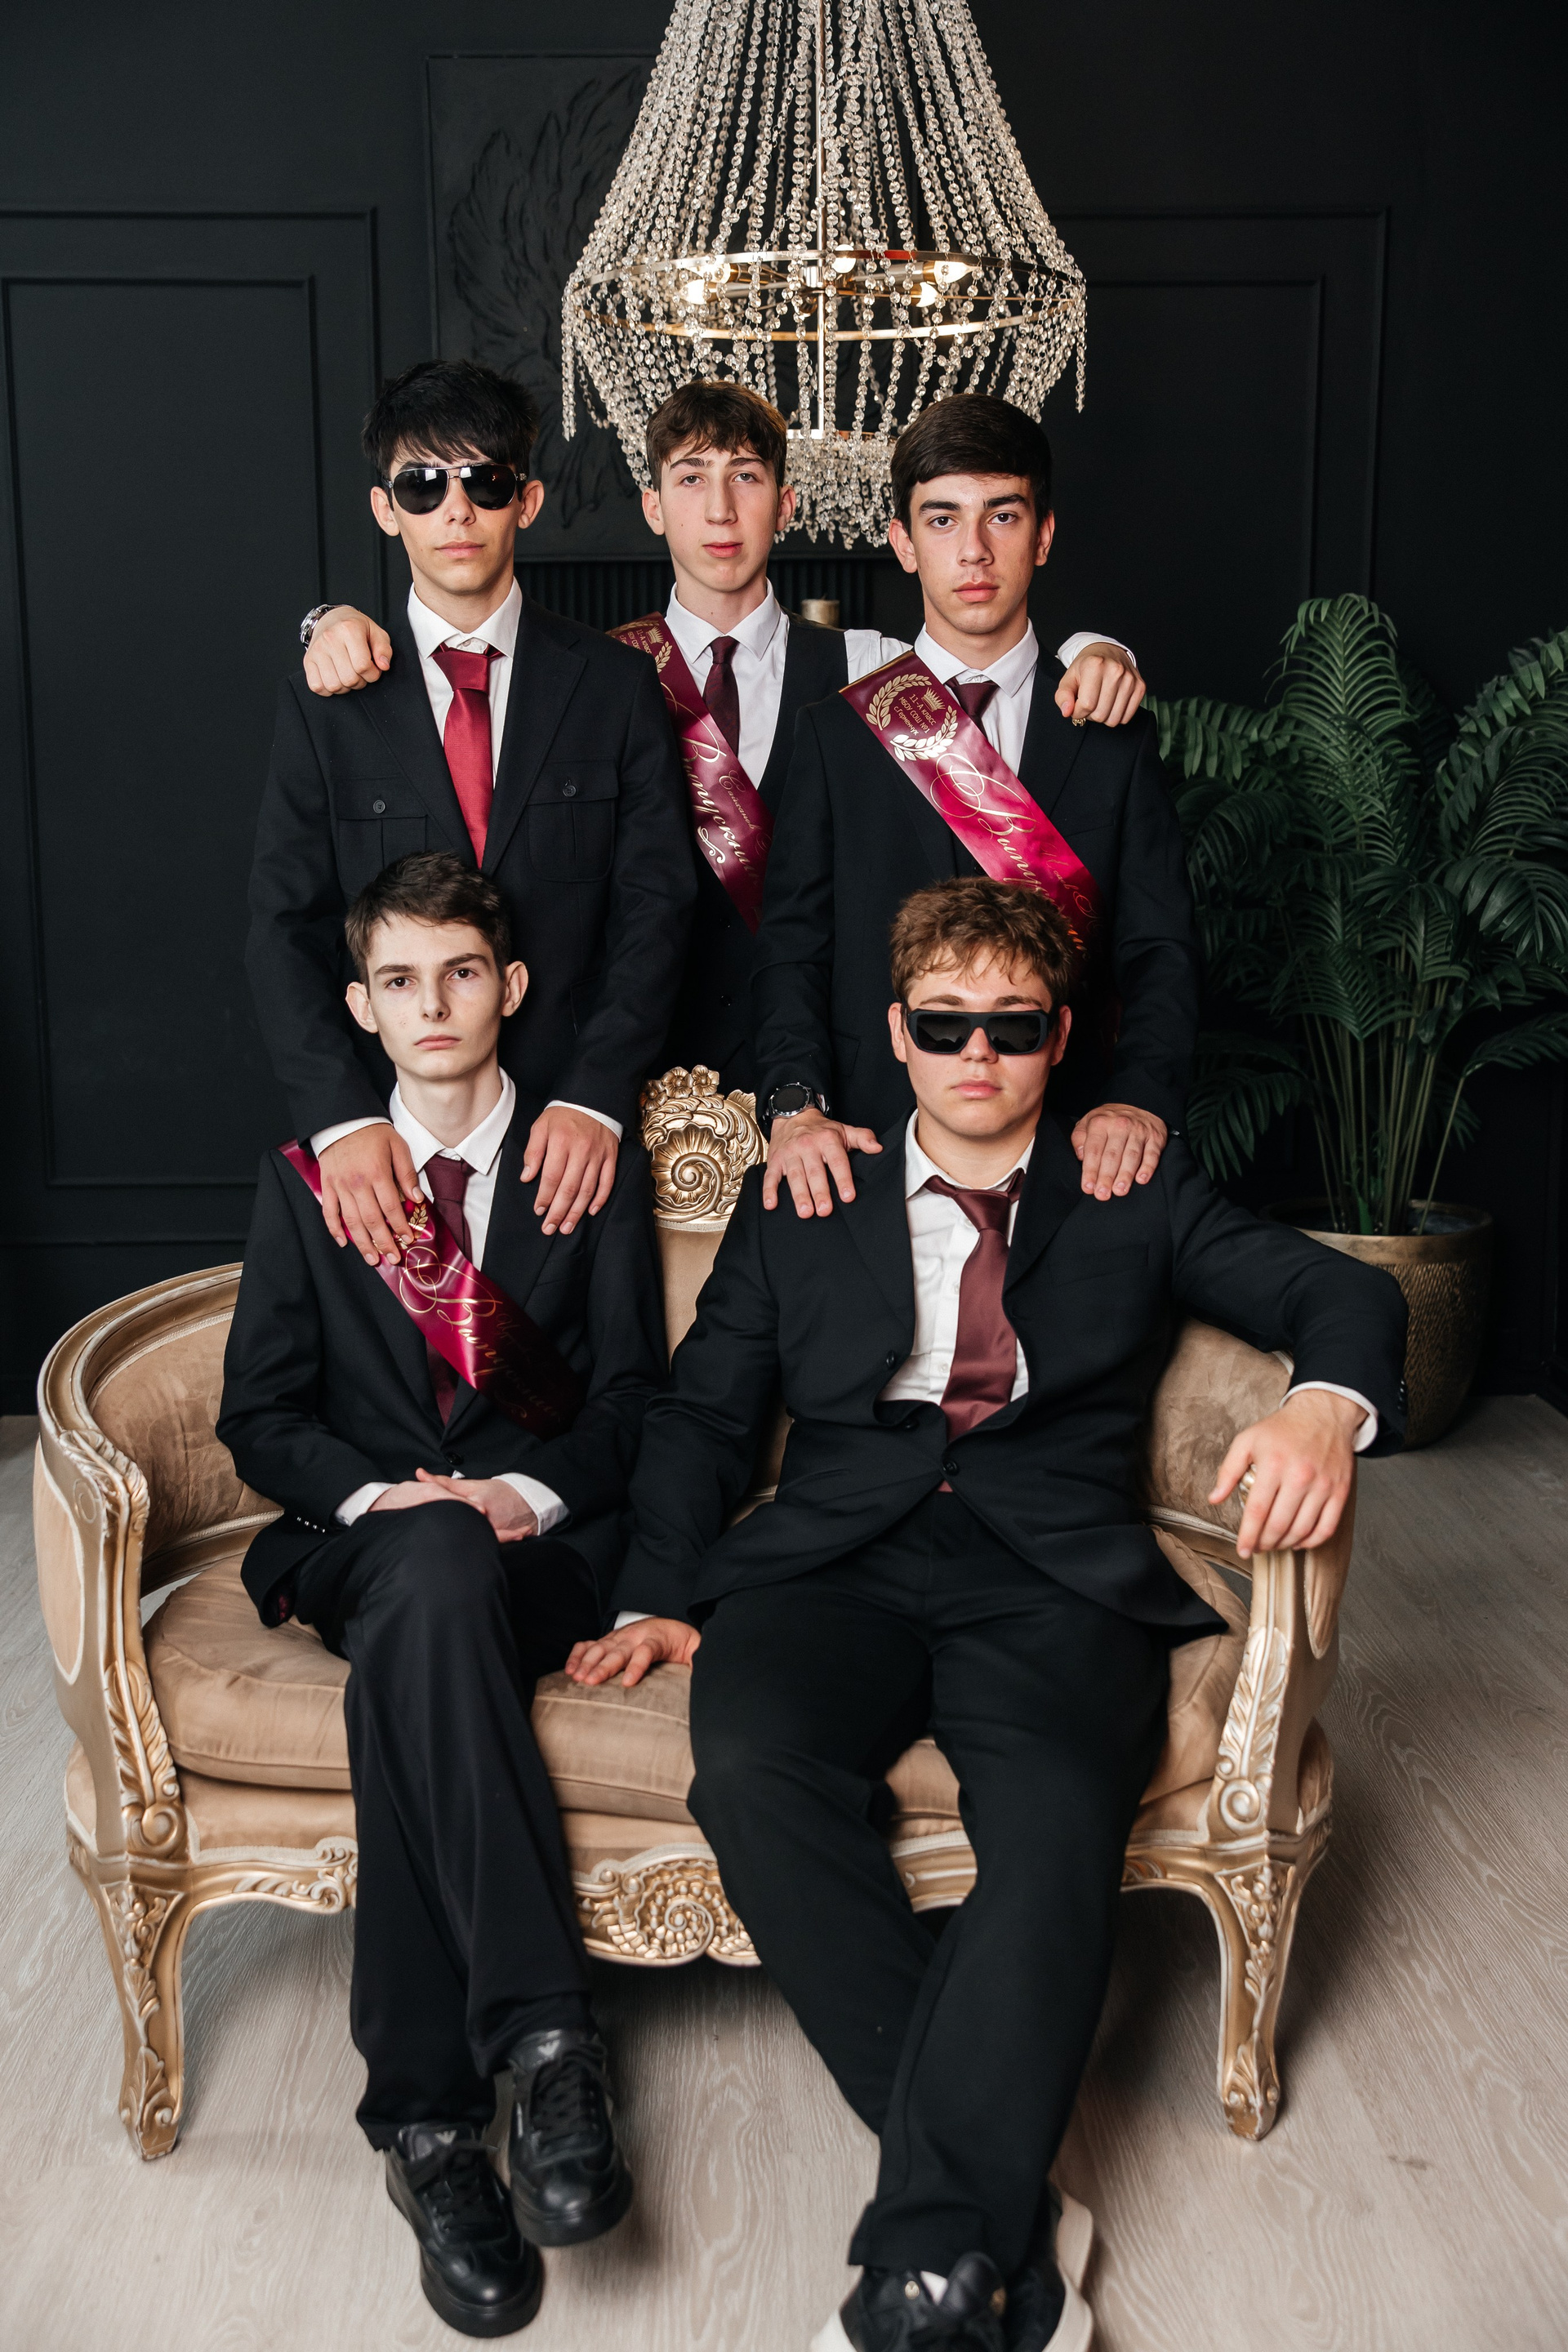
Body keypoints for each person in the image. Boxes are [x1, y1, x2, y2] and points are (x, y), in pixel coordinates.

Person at [565, 879, 1407, 2352]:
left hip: (1053, 1572)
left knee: (1060, 1825)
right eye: (945, 1024)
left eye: (1012, 1027)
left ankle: (930, 2260)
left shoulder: (1132, 1190)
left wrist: (1325, 1410)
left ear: (1059, 1038)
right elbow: (703, 1418)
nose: (977, 1053)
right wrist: (656, 1590)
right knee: (752, 1777)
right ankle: (993, 2223)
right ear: (895, 1032)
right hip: (828, 1564)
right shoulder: (805, 1195)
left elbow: (1347, 1301)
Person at [220, 851, 667, 2338]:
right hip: (368, 1542)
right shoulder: (309, 1185)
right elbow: (259, 1416)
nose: (433, 1004)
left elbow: (634, 1405)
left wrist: (520, 1496)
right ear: (359, 1005)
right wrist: (384, 1498)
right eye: (399, 980)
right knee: (425, 1564)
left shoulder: (584, 1168)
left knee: (430, 1623)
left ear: (510, 987)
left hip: (535, 1556)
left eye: (461, 973)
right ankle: (547, 2046)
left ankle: (426, 2123)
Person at [301, 378, 1143, 1094]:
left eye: (745, 477)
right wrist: (323, 622)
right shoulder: (601, 675)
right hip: (644, 1070)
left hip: (836, 1067)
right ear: (652, 506)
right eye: (691, 478)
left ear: (786, 503)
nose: (720, 509)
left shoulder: (871, 667)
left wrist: (1097, 651)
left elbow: (980, 661)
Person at [247, 357, 693, 1277]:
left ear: (526, 502)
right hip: (387, 1142)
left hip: (570, 1143)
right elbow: (285, 928)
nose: (457, 510)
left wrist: (597, 1095)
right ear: (386, 510)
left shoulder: (614, 686)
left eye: (484, 482)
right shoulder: (330, 703)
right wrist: (342, 1120)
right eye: (423, 485)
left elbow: (657, 906)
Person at [752, 393, 1200, 1228]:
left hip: (1081, 1146)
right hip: (867, 1139)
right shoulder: (835, 736)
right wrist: (795, 1105)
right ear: (903, 543)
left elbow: (1159, 949)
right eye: (943, 519)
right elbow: (792, 949)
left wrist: (1140, 1098)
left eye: (1003, 515)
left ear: (1044, 535)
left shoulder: (1111, 733)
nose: (974, 551)